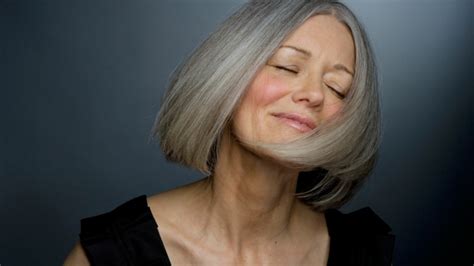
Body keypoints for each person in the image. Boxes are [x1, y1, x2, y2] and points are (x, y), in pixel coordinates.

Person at [64, 0, 395, 265]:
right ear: (228, 74)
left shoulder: (362, 252)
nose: (315, 94)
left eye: (337, 88)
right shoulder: (115, 251)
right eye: (287, 67)